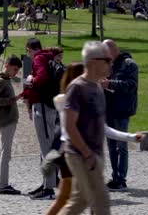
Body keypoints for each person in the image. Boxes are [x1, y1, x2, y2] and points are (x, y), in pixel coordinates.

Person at [45, 62, 145, 215]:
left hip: (82, 155)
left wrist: (130, 137)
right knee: (73, 199)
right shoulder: (68, 101)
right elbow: (70, 129)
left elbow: (102, 128)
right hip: (75, 155)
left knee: (82, 199)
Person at [58, 41, 113, 215]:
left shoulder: (97, 86)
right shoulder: (77, 87)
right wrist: (88, 154)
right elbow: (69, 125)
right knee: (101, 202)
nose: (110, 63)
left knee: (78, 202)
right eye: (107, 60)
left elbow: (99, 125)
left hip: (92, 155)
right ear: (93, 62)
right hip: (80, 155)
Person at [101, 39, 139, 191]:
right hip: (108, 109)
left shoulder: (129, 64)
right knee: (111, 146)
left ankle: (121, 178)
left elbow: (131, 85)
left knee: (121, 145)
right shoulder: (107, 64)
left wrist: (111, 84)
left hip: (122, 109)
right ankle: (114, 175)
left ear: (113, 50)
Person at [24, 38, 57, 200]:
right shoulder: (48, 57)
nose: (28, 55)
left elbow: (42, 77)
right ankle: (45, 183)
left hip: (43, 107)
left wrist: (31, 82)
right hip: (49, 106)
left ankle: (49, 188)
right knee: (45, 146)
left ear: (30, 49)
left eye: (27, 51)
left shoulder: (38, 59)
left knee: (46, 148)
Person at [0, 55, 22, 195]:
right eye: (15, 69)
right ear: (7, 65)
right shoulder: (1, 81)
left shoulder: (4, 78)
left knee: (2, 151)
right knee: (6, 153)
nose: (16, 73)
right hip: (6, 120)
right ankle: (3, 185)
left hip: (7, 119)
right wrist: (12, 99)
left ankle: (0, 183)